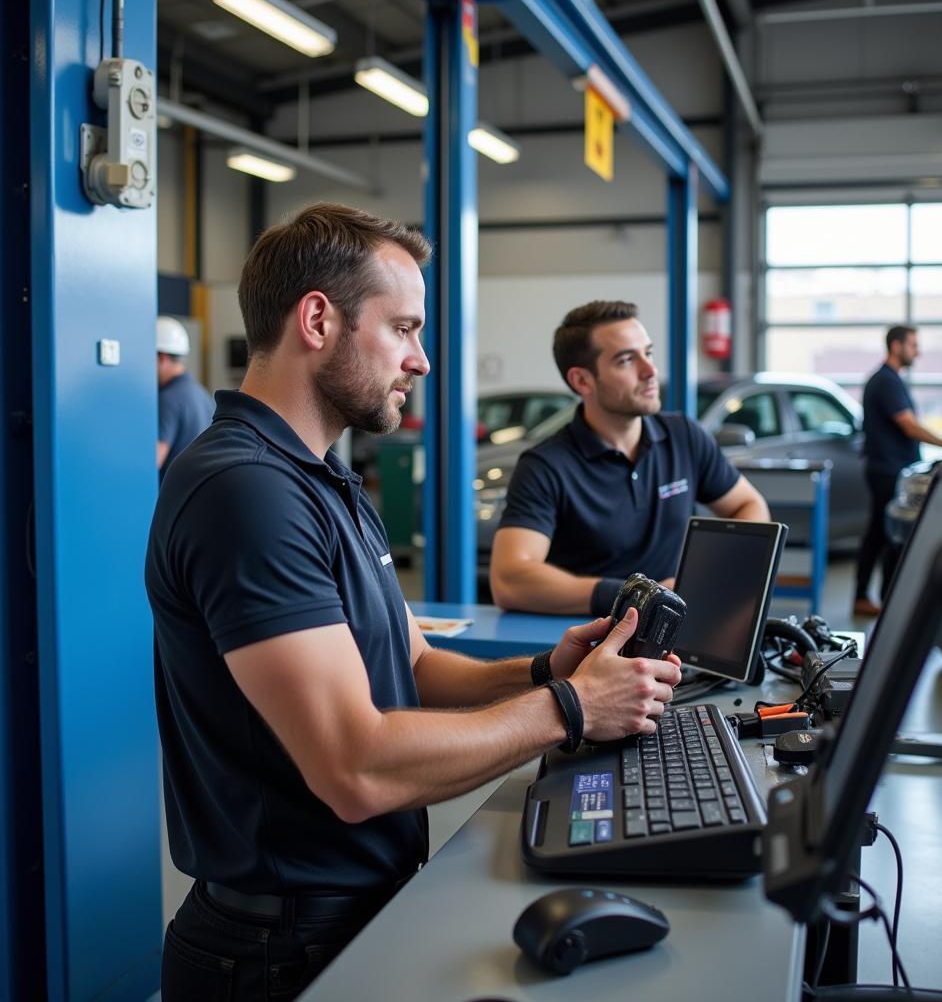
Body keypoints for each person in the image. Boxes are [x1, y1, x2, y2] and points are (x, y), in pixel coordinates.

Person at [145, 204, 682, 1002]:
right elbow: (355, 767)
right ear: (319, 320)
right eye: (404, 329)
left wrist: (543, 670)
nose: (422, 361)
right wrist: (572, 708)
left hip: (352, 910)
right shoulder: (245, 492)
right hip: (276, 951)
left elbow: (415, 663)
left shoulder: (324, 479)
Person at [489, 300, 769, 616]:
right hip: (591, 643)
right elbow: (510, 580)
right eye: (626, 360)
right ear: (582, 381)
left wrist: (706, 577)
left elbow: (750, 505)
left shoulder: (684, 436)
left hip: (675, 630)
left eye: (648, 353)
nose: (650, 371)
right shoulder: (546, 466)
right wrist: (636, 597)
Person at [853, 325, 942, 617]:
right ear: (896, 346)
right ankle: (873, 598)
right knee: (885, 535)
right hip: (887, 469)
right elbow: (910, 426)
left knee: (884, 534)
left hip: (889, 467)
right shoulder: (886, 381)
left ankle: (881, 596)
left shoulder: (889, 379)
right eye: (913, 345)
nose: (917, 352)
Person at [156, 315, 215, 481]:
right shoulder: (201, 393)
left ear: (162, 358)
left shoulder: (167, 399)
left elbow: (152, 462)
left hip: (171, 496)